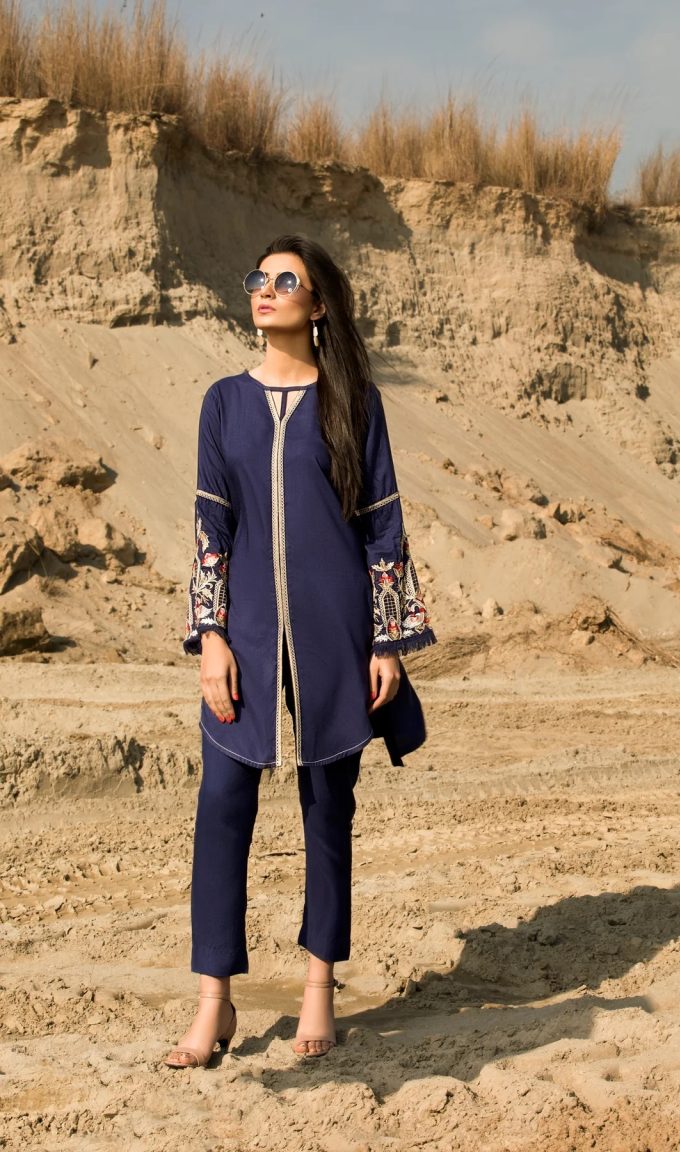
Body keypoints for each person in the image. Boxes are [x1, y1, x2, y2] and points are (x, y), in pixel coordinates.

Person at [164, 234, 437, 1067]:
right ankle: (214, 1001)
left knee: (327, 804)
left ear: (318, 306)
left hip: (336, 629)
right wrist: (211, 636)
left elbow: (382, 524)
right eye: (260, 277)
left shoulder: (354, 403)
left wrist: (388, 640)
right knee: (222, 802)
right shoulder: (223, 403)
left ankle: (320, 984)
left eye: (286, 281)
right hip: (245, 632)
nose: (266, 289)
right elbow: (211, 527)